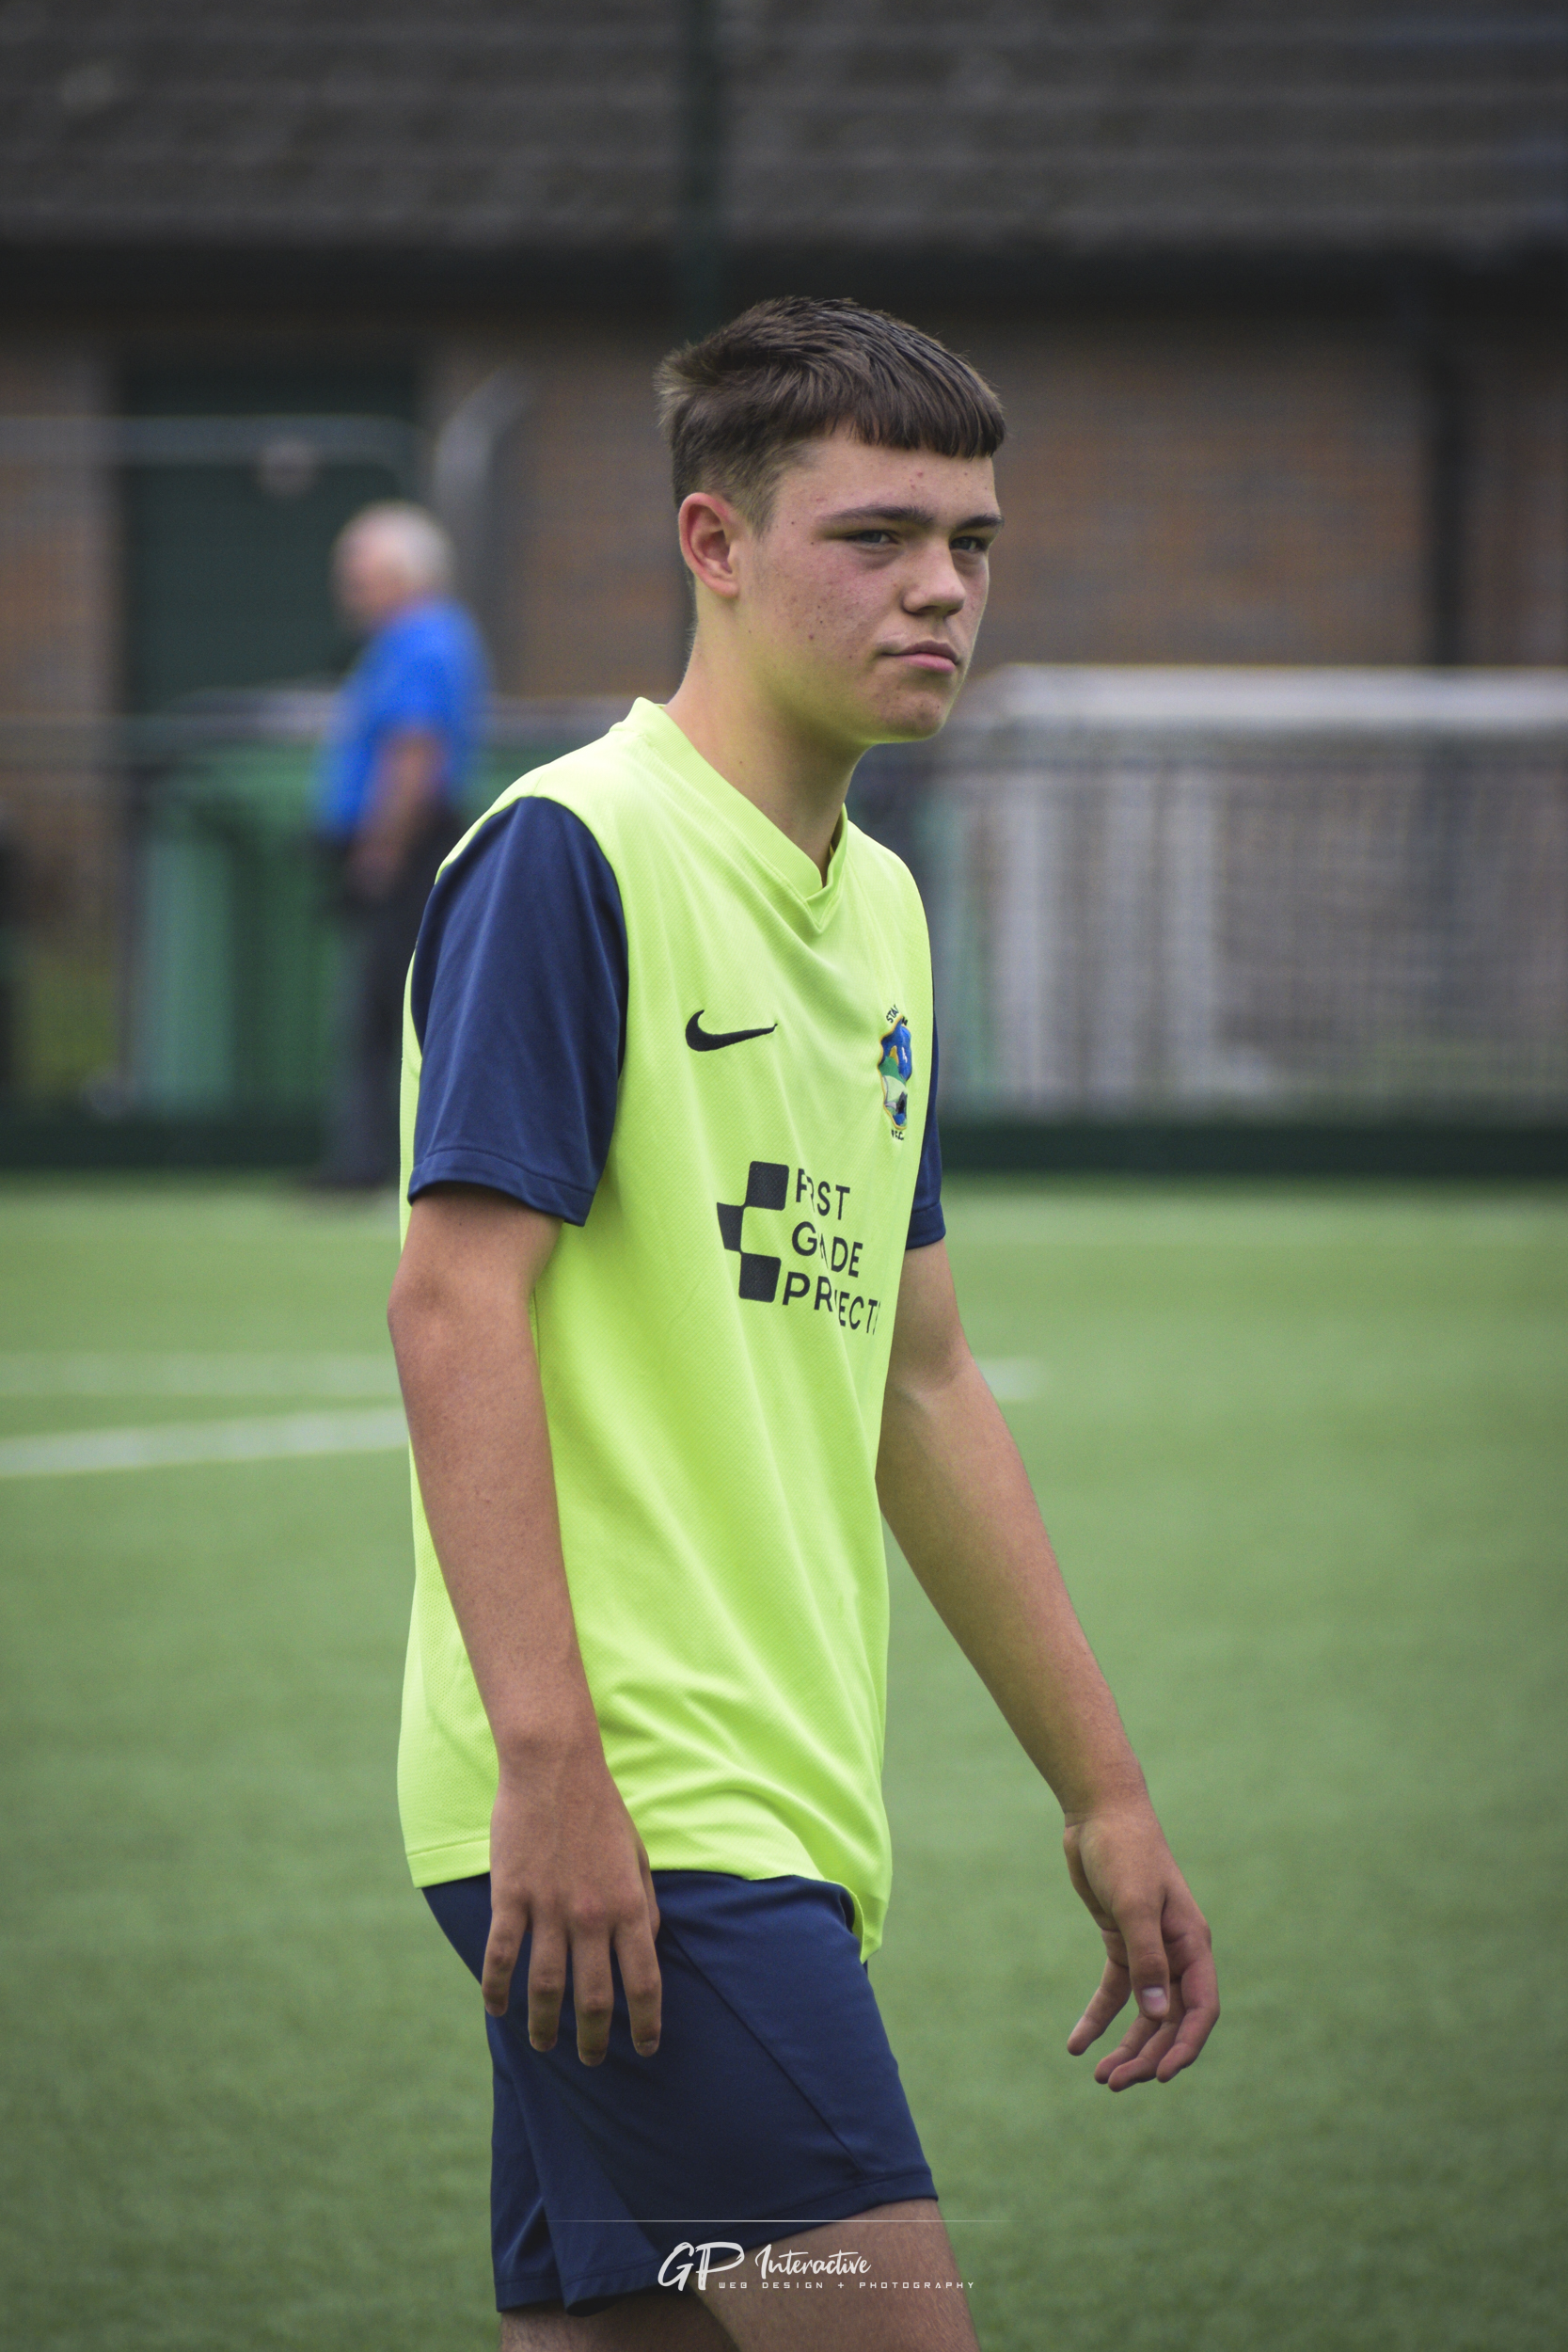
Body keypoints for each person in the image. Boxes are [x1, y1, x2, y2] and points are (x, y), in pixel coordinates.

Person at [388, 298, 1218, 2350]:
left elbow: (919, 1384)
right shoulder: (571, 857)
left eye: (970, 541)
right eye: (873, 535)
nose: (937, 585)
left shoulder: (880, 909)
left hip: (762, 1801)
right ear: (713, 543)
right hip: (633, 1811)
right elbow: (448, 1308)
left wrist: (1100, 1791)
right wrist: (553, 1768)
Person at [313, 501, 487, 1188]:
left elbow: (412, 752)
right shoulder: (414, 638)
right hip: (405, 846)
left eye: (362, 576)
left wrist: (379, 851)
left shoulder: (421, 639)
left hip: (408, 850)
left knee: (390, 1009)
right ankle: (366, 1157)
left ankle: (372, 1163)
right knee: (381, 1007)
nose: (350, 592)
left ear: (407, 576)